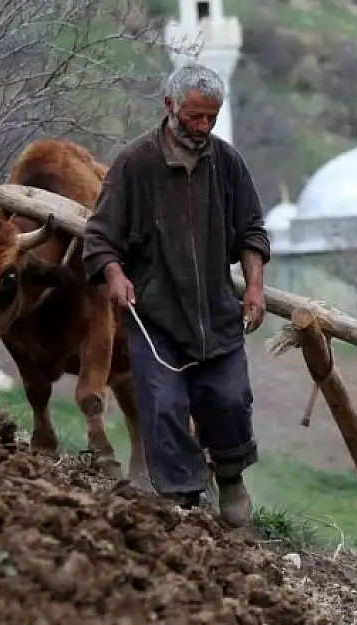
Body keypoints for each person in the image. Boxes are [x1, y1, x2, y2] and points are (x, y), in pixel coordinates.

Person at [82, 63, 270, 528]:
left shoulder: (227, 163)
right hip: (156, 316)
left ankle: (229, 477)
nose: (203, 128)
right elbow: (100, 236)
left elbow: (251, 230)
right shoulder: (135, 164)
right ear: (169, 107)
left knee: (228, 398)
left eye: (211, 118)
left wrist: (256, 288)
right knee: (163, 405)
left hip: (215, 311)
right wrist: (114, 276)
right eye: (194, 118)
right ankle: (181, 497)